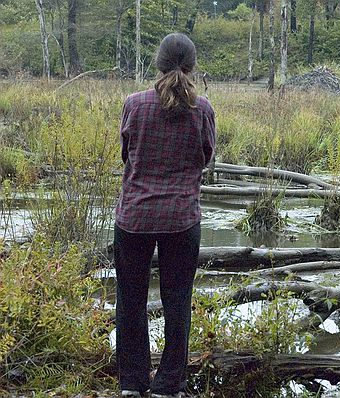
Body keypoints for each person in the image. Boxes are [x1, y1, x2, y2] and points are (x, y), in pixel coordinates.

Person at [114, 33, 215, 398]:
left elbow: (128, 155)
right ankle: (168, 386)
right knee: (177, 301)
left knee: (130, 300)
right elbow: (205, 158)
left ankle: (131, 384)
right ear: (192, 66)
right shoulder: (201, 109)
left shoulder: (134, 104)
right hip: (181, 220)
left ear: (157, 63)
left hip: (134, 216)